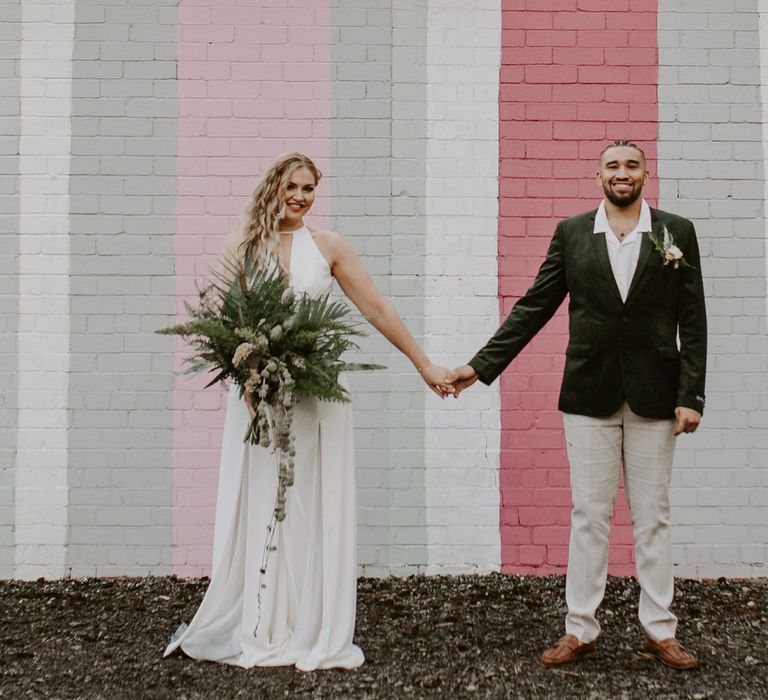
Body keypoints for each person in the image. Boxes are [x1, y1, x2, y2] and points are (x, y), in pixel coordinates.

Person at [164, 152, 452, 670]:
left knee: (312, 500)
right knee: (266, 501)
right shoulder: (244, 248)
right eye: (291, 186)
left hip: (317, 393)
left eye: (308, 189)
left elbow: (378, 309)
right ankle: (263, 618)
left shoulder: (329, 247)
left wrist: (423, 364)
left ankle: (310, 622)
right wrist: (249, 381)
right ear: (272, 187)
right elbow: (227, 322)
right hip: (261, 393)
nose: (299, 197)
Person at [449, 140, 707, 670]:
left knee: (652, 516)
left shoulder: (675, 233)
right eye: (612, 166)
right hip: (589, 395)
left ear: (645, 174)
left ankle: (660, 629)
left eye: (631, 165)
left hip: (657, 397)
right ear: (598, 177)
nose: (622, 173)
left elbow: (694, 319)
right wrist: (477, 367)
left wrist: (691, 395)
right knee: (589, 514)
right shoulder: (571, 234)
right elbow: (535, 306)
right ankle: (580, 628)